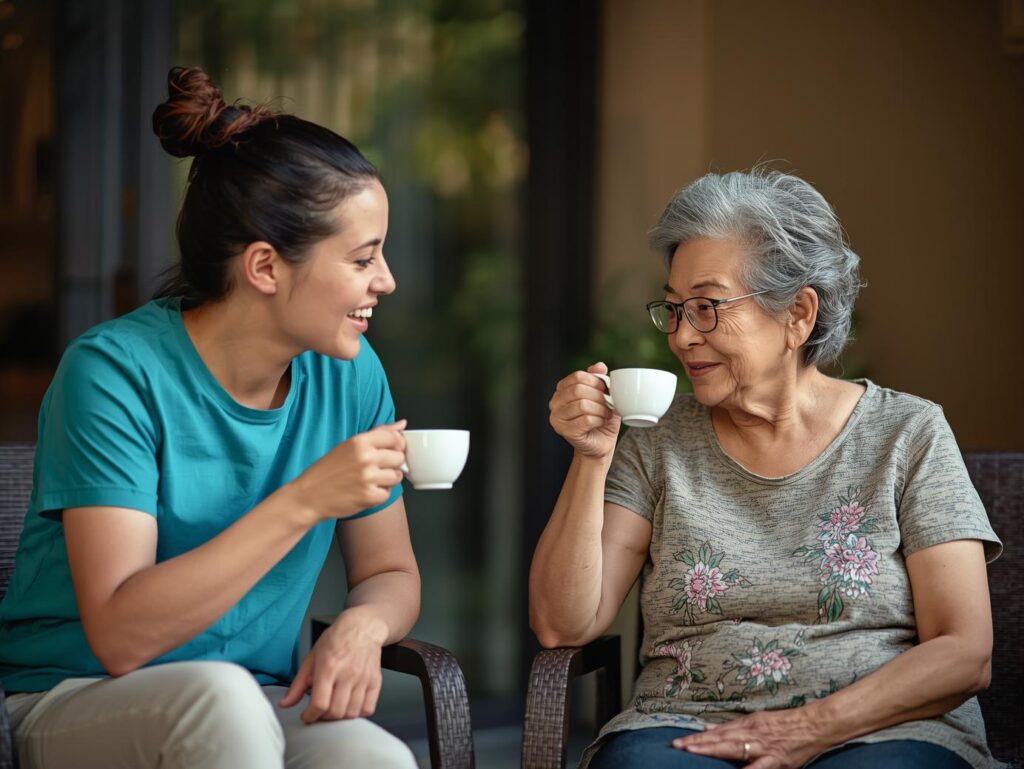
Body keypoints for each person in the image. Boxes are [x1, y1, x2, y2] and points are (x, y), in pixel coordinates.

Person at [0, 67, 420, 769]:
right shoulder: (113, 375)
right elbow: (120, 636)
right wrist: (305, 498)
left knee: (374, 759)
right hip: (74, 698)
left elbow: (390, 569)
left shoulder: (351, 374)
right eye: (362, 258)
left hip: (257, 701)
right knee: (219, 702)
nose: (387, 280)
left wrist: (362, 624)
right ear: (265, 267)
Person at [530, 168, 1002, 769]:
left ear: (798, 314)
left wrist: (808, 729)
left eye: (706, 307)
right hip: (686, 727)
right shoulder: (656, 441)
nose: (681, 337)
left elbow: (965, 653)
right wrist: (592, 457)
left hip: (882, 729)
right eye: (673, 309)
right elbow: (562, 625)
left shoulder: (907, 433)